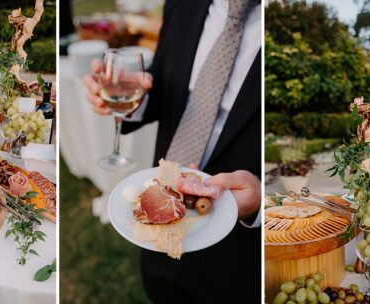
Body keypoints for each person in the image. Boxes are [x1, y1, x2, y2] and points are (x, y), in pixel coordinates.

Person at [83, 0, 262, 302]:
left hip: (240, 250)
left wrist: (262, 202)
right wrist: (134, 102)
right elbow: (166, 83)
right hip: (160, 220)